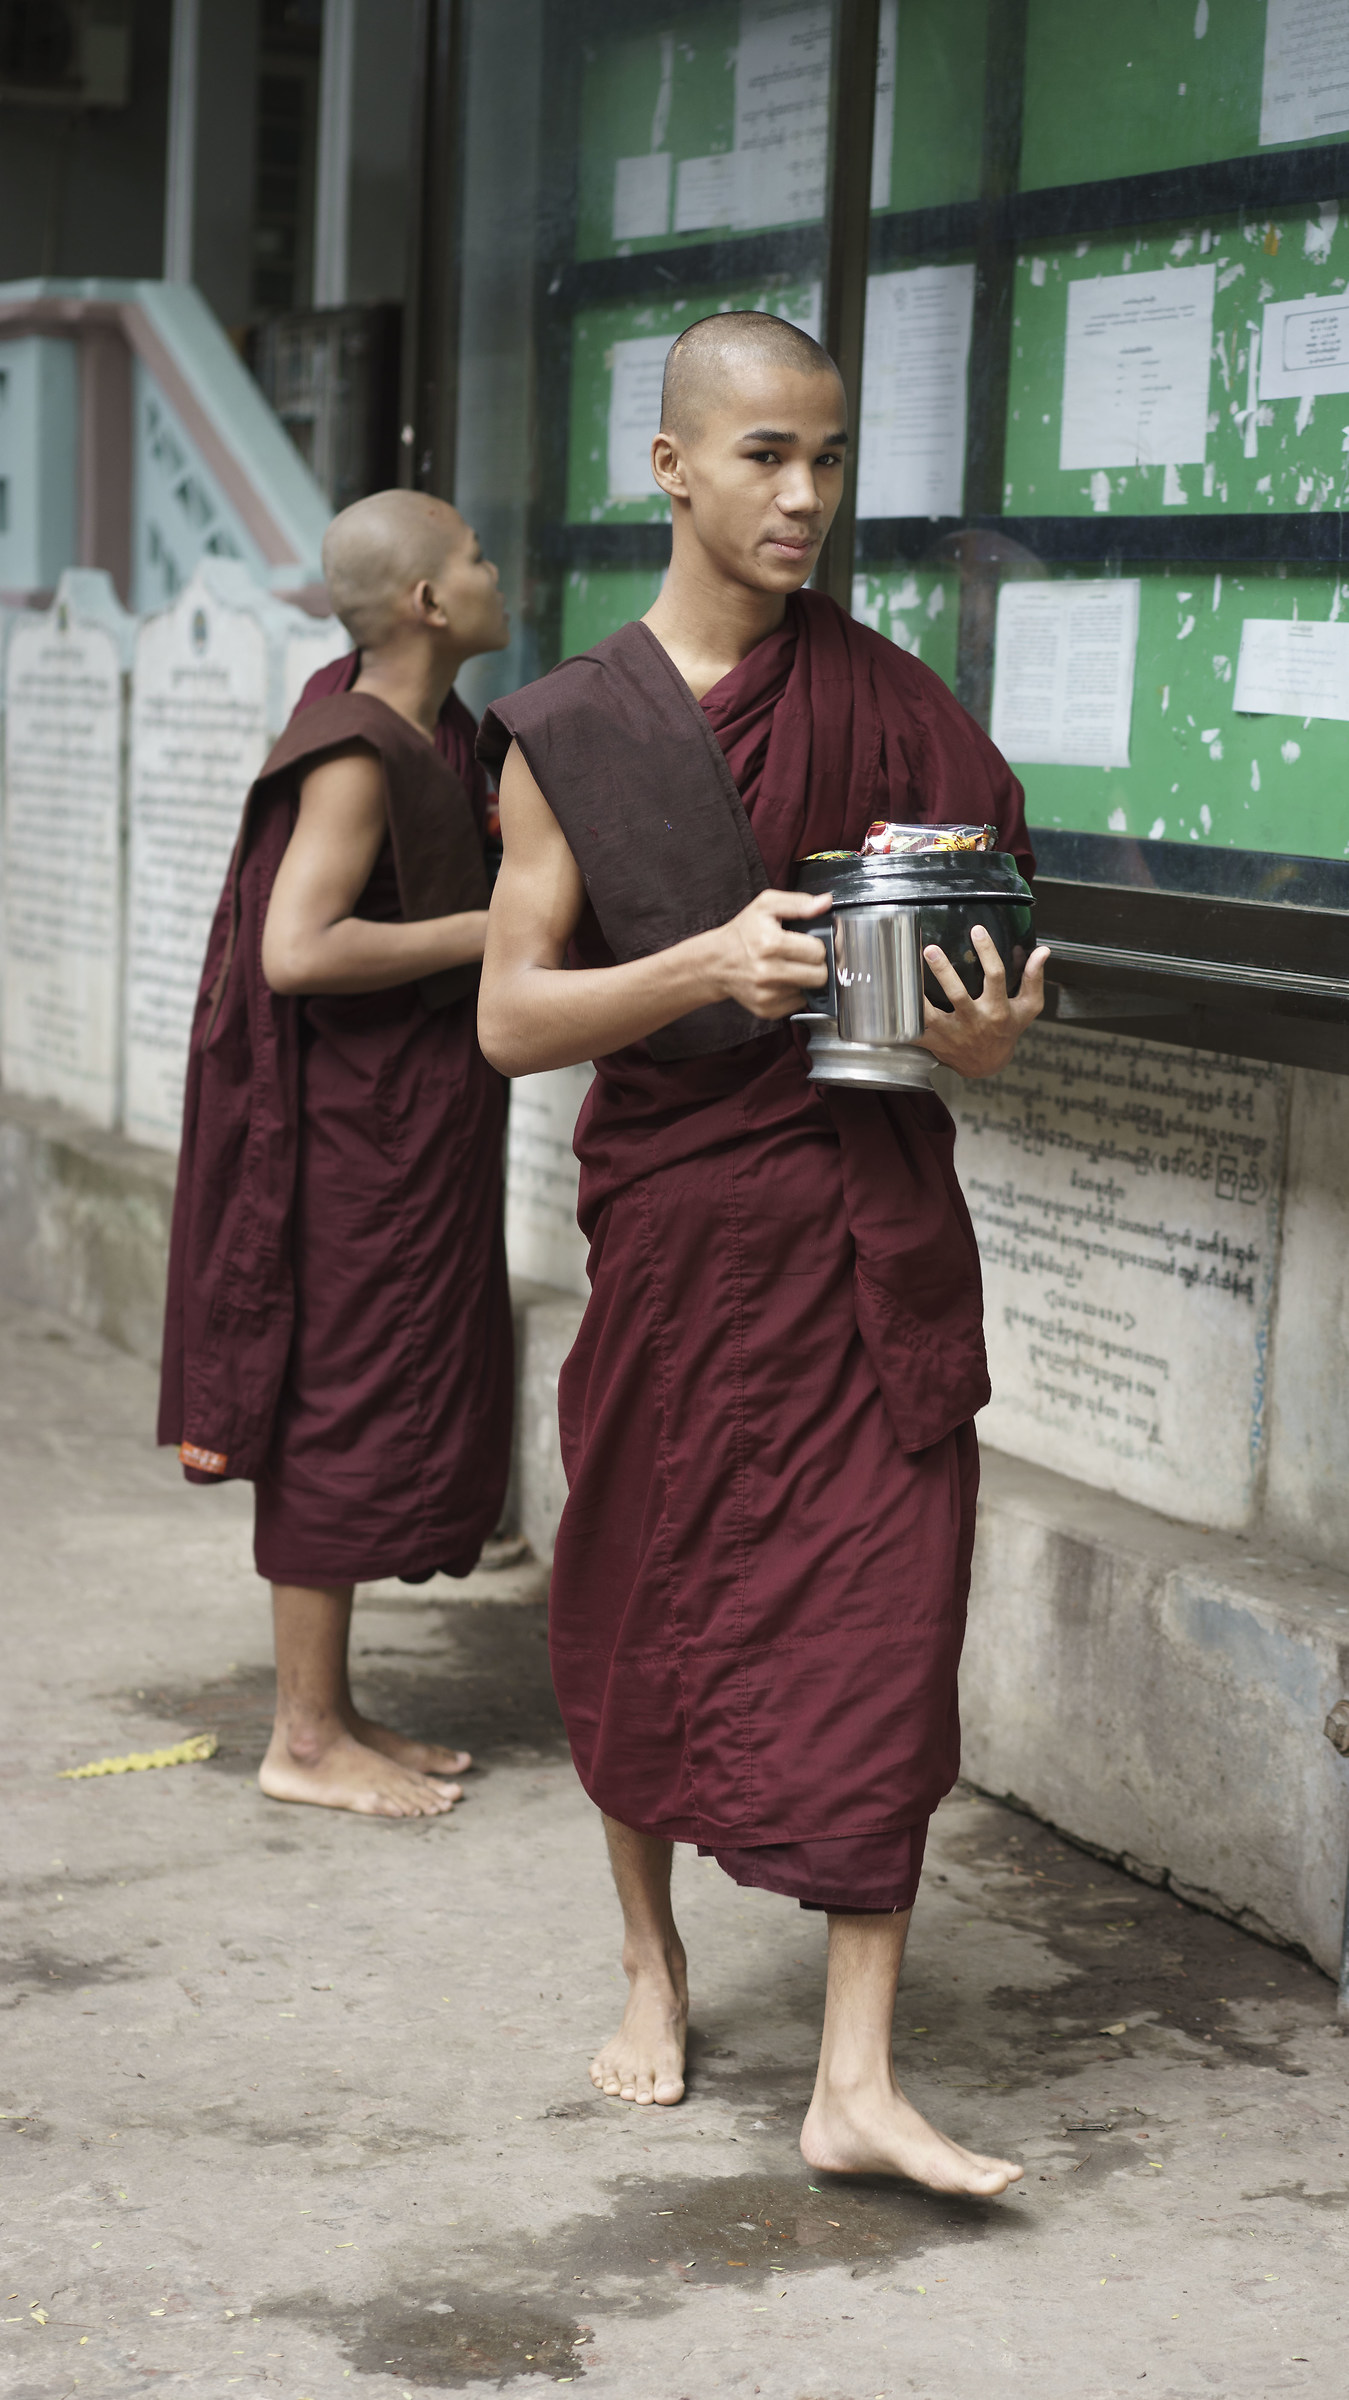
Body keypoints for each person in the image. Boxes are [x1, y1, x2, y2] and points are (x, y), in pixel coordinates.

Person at [476, 313, 1049, 2193]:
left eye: (829, 457)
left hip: (866, 1236)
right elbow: (509, 1017)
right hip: (678, 1236)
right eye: (763, 456)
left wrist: (982, 1036)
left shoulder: (889, 704)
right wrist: (698, 967)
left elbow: (976, 978)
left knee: (889, 1620)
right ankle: (652, 1965)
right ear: (669, 466)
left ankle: (853, 2081)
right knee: (640, 1592)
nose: (804, 495)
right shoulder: (574, 730)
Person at [160, 491, 515, 1821]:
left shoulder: (420, 722)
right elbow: (297, 949)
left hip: (406, 1126)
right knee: (339, 1410)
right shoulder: (357, 753)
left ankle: (337, 1710)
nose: (494, 570)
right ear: (427, 601)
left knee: (377, 1393)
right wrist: (491, 932)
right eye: (473, 557)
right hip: (349, 1144)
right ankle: (302, 1741)